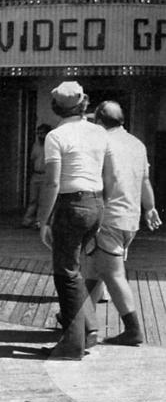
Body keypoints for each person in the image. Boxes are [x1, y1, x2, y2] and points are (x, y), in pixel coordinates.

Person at [36, 81, 113, 360]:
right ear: (84, 103)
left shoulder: (56, 136)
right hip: (95, 202)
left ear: (56, 107)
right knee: (75, 269)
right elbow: (110, 176)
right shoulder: (99, 132)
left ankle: (72, 345)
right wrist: (101, 208)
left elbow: (52, 182)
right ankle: (89, 329)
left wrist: (43, 220)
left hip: (71, 205)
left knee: (65, 273)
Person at [83, 101, 162, 346]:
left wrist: (97, 213)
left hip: (109, 217)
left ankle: (133, 329)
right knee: (94, 268)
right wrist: (150, 208)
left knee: (112, 274)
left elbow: (105, 179)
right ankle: (78, 319)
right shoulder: (136, 144)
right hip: (130, 218)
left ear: (99, 120)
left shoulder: (102, 142)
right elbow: (145, 180)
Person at [21, 123, 51, 228]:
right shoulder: (36, 145)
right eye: (38, 133)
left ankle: (39, 221)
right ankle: (27, 220)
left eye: (42, 133)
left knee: (43, 200)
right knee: (33, 199)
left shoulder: (51, 146)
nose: (40, 136)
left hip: (46, 175)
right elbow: (32, 160)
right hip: (36, 174)